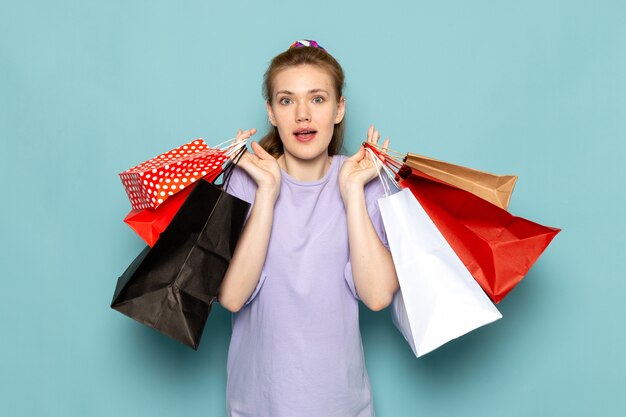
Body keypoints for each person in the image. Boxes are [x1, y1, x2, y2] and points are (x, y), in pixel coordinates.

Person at [218, 40, 399, 417]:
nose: (302, 114)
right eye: (287, 101)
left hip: (342, 407)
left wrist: (351, 192)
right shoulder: (244, 182)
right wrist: (266, 195)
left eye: (317, 99)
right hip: (258, 406)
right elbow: (232, 297)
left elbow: (378, 295)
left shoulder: (365, 182)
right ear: (271, 112)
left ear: (338, 109)